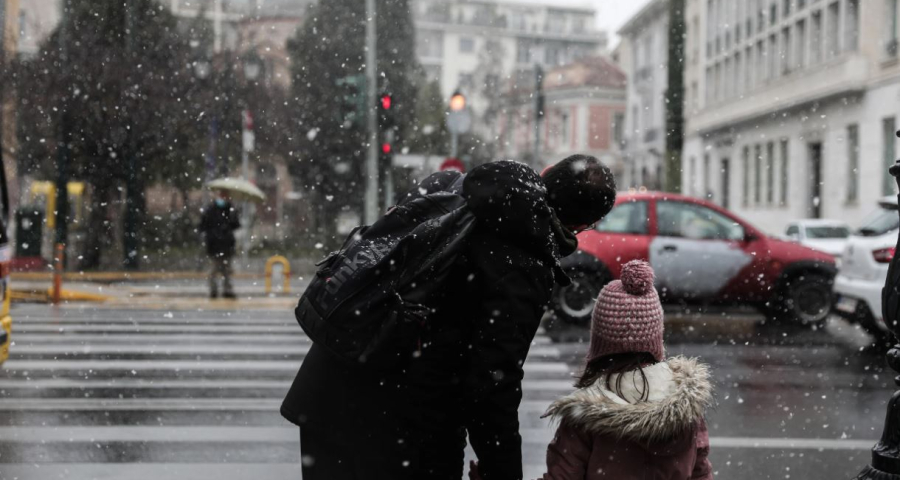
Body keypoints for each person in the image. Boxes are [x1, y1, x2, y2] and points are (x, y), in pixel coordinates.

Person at [281, 155, 617, 480]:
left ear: (546, 173)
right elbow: (492, 382)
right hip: (403, 429)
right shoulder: (526, 258)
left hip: (329, 381)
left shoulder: (453, 185)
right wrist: (501, 470)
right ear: (582, 225)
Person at [472, 260, 714, 480]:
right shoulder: (687, 408)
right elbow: (701, 472)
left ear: (600, 342)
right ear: (655, 339)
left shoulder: (586, 415)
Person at [198, 191, 240, 299]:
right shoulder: (210, 210)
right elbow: (203, 225)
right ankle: (214, 290)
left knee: (227, 270)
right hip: (214, 246)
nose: (223, 198)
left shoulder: (230, 210)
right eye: (221, 196)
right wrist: (214, 234)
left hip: (227, 245)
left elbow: (236, 225)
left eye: (225, 196)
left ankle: (227, 290)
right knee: (213, 270)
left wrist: (233, 216)